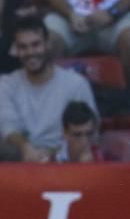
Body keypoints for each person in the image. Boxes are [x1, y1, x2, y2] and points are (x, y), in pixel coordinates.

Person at [0, 16, 98, 162]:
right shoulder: (6, 84)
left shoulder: (76, 84)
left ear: (47, 44)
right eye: (23, 47)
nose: (30, 52)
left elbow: (91, 133)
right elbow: (8, 127)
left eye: (36, 44)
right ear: (16, 50)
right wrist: (26, 148)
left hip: (66, 162)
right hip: (20, 159)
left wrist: (50, 154)